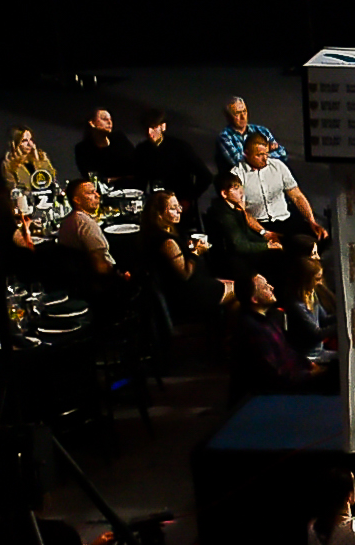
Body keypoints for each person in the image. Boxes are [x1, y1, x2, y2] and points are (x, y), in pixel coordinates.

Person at [224, 275, 327, 405]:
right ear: (254, 299)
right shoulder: (252, 328)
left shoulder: (268, 319)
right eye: (265, 287)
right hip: (266, 397)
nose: (271, 287)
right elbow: (274, 375)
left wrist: (309, 364)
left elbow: (287, 351)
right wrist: (310, 375)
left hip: (287, 382)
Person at [136, 190, 232, 320]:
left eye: (179, 206)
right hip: (185, 295)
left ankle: (226, 328)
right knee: (242, 290)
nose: (180, 211)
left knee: (235, 286)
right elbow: (185, 274)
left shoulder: (162, 231)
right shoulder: (167, 242)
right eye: (173, 208)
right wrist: (197, 252)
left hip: (190, 285)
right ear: (159, 214)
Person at [234, 133, 326, 255]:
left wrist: (311, 221)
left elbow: (297, 196)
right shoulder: (237, 174)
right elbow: (241, 211)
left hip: (284, 220)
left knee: (320, 237)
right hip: (259, 224)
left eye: (266, 154)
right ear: (246, 154)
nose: (264, 158)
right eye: (259, 155)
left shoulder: (278, 166)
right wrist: (264, 232)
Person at [204, 171, 282, 295]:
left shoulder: (234, 209)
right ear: (224, 193)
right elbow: (238, 245)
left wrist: (268, 241)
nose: (241, 192)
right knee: (275, 260)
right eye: (235, 188)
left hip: (239, 256)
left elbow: (246, 234)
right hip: (230, 261)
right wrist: (267, 246)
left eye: (240, 187)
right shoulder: (223, 215)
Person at [52, 177, 117, 290]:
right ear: (77, 200)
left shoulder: (68, 221)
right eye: (91, 193)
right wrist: (119, 278)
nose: (97, 195)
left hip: (79, 283)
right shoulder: (86, 224)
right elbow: (100, 266)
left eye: (96, 191)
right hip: (99, 286)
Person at [133, 111, 209, 207]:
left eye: (153, 127)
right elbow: (139, 178)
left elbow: (205, 176)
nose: (149, 132)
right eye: (146, 128)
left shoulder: (180, 148)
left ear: (163, 127)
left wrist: (188, 199)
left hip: (179, 201)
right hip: (156, 202)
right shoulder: (142, 149)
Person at [218, 95, 287, 171]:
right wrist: (266, 151)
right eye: (237, 113)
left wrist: (258, 156)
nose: (243, 117)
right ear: (228, 117)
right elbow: (238, 162)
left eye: (244, 111)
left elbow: (282, 153)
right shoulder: (225, 137)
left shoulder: (262, 130)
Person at [73, 107, 135, 185]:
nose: (109, 122)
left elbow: (136, 165)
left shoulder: (120, 139)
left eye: (111, 119)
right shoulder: (82, 149)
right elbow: (89, 176)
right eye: (104, 119)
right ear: (92, 123)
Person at [0, 128, 58, 203]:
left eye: (31, 139)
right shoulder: (8, 164)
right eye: (24, 141)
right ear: (15, 143)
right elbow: (13, 189)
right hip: (26, 204)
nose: (30, 144)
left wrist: (38, 160)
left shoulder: (42, 157)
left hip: (48, 201)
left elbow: (51, 176)